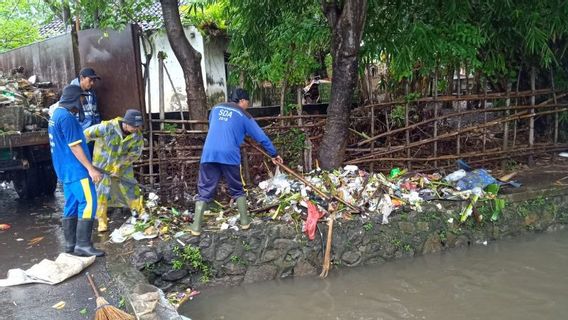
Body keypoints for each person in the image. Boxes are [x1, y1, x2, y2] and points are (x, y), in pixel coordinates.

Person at [189, 88, 283, 236]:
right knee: (237, 188)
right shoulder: (244, 115)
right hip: (229, 155)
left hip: (209, 153)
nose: (248, 106)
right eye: (247, 103)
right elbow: (261, 137)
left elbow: (218, 126)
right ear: (242, 101)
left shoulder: (215, 108)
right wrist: (274, 154)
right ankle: (245, 223)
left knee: (205, 189)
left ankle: (196, 227)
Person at [48, 85, 104, 257]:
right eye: (81, 98)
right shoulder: (67, 118)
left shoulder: (56, 115)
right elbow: (75, 147)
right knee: (88, 203)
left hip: (64, 169)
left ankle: (70, 244)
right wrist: (90, 169)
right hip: (77, 170)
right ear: (74, 98)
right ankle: (83, 245)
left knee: (71, 204)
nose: (82, 101)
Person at [84, 109, 145, 232]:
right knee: (101, 191)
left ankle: (139, 210)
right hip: (102, 166)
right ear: (126, 122)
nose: (136, 128)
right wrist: (84, 158)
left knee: (131, 187)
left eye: (138, 126)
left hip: (123, 167)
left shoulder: (137, 136)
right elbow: (85, 135)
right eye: (134, 126)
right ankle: (101, 219)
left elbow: (135, 154)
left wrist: (121, 165)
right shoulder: (107, 127)